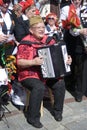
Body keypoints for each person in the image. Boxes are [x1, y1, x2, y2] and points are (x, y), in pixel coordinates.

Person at [16, 15, 72, 128]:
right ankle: (32, 117)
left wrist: (67, 59)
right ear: (31, 30)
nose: (42, 29)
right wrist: (33, 62)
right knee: (39, 87)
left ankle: (58, 112)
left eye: (42, 27)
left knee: (60, 83)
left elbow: (59, 54)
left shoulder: (49, 40)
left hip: (48, 73)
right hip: (29, 74)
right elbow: (19, 62)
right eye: (38, 27)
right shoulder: (25, 43)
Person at [60, 0, 87, 102]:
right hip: (70, 40)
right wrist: (80, 31)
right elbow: (65, 26)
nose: (77, 1)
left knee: (82, 67)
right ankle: (69, 84)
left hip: (83, 43)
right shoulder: (66, 8)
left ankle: (79, 92)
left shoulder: (84, 8)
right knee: (70, 64)